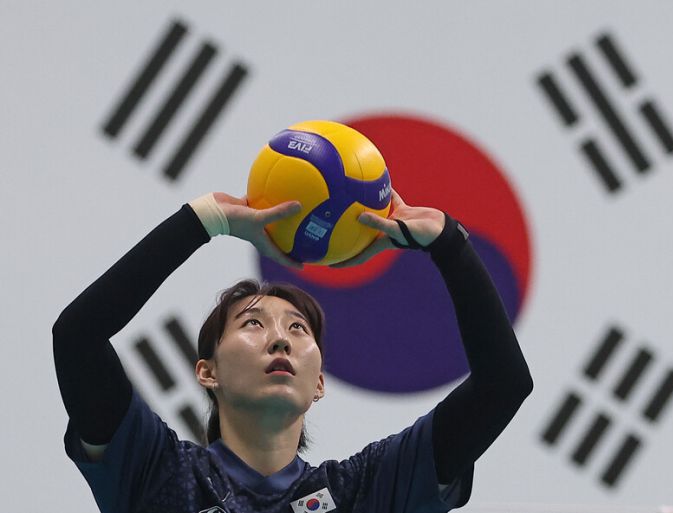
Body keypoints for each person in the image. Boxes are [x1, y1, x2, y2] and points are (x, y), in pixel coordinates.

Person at [53, 190, 533, 513]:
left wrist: (449, 244)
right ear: (207, 372)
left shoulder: (366, 492)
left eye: (298, 329)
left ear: (318, 383)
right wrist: (204, 221)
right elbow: (78, 337)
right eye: (253, 323)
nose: (280, 339)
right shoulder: (156, 471)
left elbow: (503, 385)